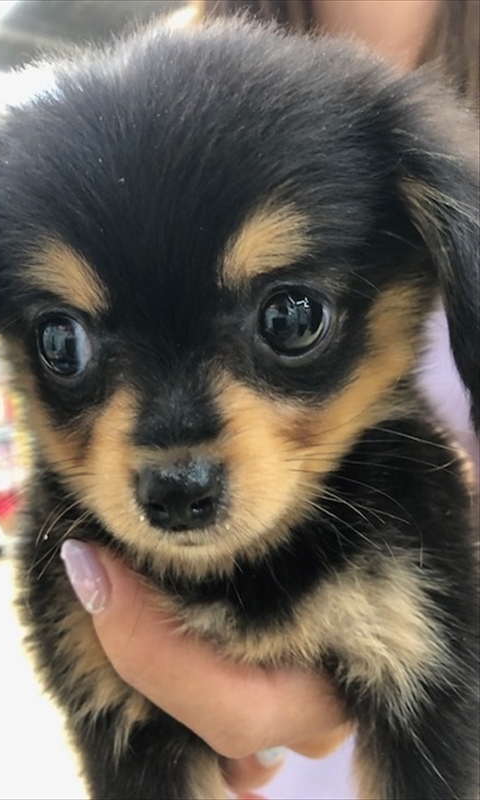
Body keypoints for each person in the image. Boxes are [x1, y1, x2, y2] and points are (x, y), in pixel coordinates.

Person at [61, 2, 479, 797]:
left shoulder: (399, 153)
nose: (173, 460)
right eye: (66, 344)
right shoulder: (131, 84)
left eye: (291, 318)